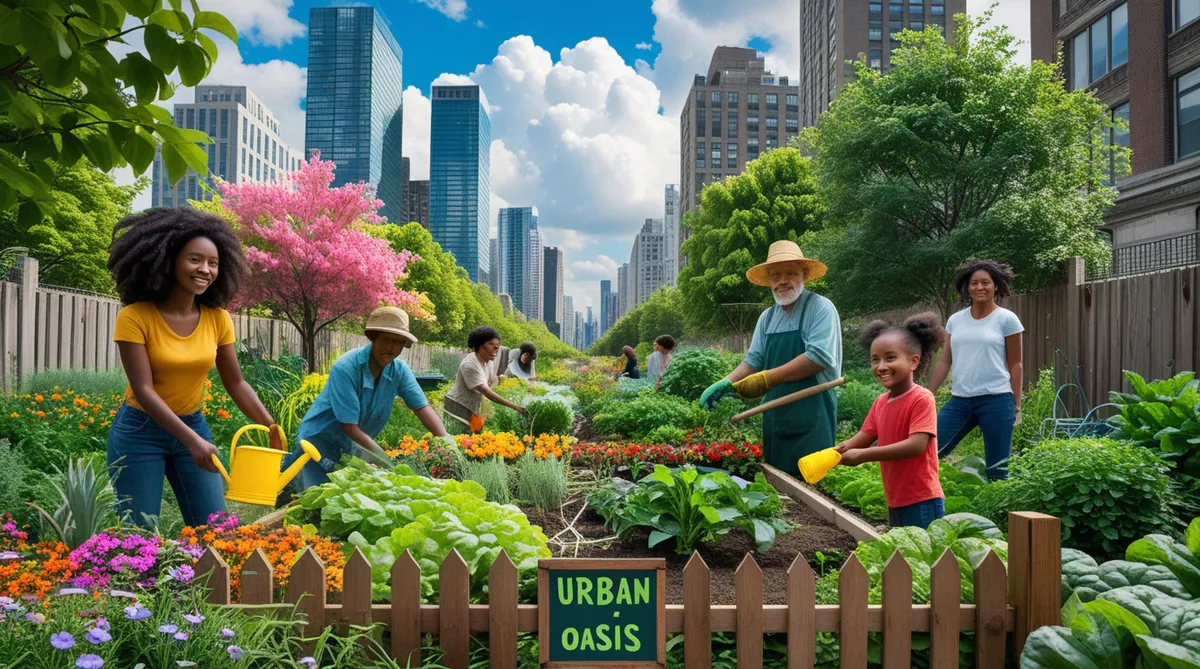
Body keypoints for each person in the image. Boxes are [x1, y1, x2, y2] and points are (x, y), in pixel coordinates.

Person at [107, 208, 275, 528]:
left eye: (213, 263)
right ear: (168, 259)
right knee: (139, 537)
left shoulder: (217, 318)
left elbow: (236, 382)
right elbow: (144, 390)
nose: (205, 269)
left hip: (193, 424)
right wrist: (192, 441)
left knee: (217, 529)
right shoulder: (135, 317)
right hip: (141, 432)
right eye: (194, 259)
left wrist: (270, 426)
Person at [699, 241, 842, 474]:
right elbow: (754, 359)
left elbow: (817, 357)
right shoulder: (767, 317)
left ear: (804, 275)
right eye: (775, 275)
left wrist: (768, 378)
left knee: (812, 486)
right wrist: (727, 382)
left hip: (812, 412)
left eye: (790, 273)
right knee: (776, 483)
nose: (782, 280)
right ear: (769, 280)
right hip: (776, 414)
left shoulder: (820, 308)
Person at [282, 307, 457, 490]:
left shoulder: (399, 371)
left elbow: (421, 407)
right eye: (386, 340)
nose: (391, 348)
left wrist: (445, 439)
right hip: (317, 444)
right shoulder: (346, 368)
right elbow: (349, 426)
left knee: (340, 501)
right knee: (307, 499)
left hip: (351, 449)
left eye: (397, 342)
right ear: (373, 337)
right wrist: (386, 462)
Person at [834, 314, 947, 529]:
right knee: (902, 557)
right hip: (895, 498)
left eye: (890, 358)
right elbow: (863, 437)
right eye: (875, 359)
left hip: (921, 499)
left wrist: (864, 456)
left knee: (923, 558)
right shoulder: (880, 403)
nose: (881, 366)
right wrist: (835, 452)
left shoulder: (921, 398)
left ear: (913, 361)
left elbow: (916, 445)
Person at [928, 260, 1024, 481]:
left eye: (985, 283)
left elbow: (1015, 364)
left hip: (997, 401)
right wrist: (928, 393)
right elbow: (945, 361)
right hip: (960, 402)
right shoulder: (955, 320)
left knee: (998, 470)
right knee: (930, 450)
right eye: (974, 283)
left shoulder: (1007, 320)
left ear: (996, 286)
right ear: (967, 288)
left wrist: (1016, 403)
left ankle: (997, 512)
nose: (980, 287)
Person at [444, 326, 527, 433]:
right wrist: (515, 407)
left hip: (471, 407)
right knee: (459, 441)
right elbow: (485, 391)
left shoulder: (488, 361)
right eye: (491, 344)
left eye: (497, 346)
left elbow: (493, 381)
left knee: (473, 440)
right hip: (457, 407)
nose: (496, 349)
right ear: (479, 346)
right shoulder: (470, 365)